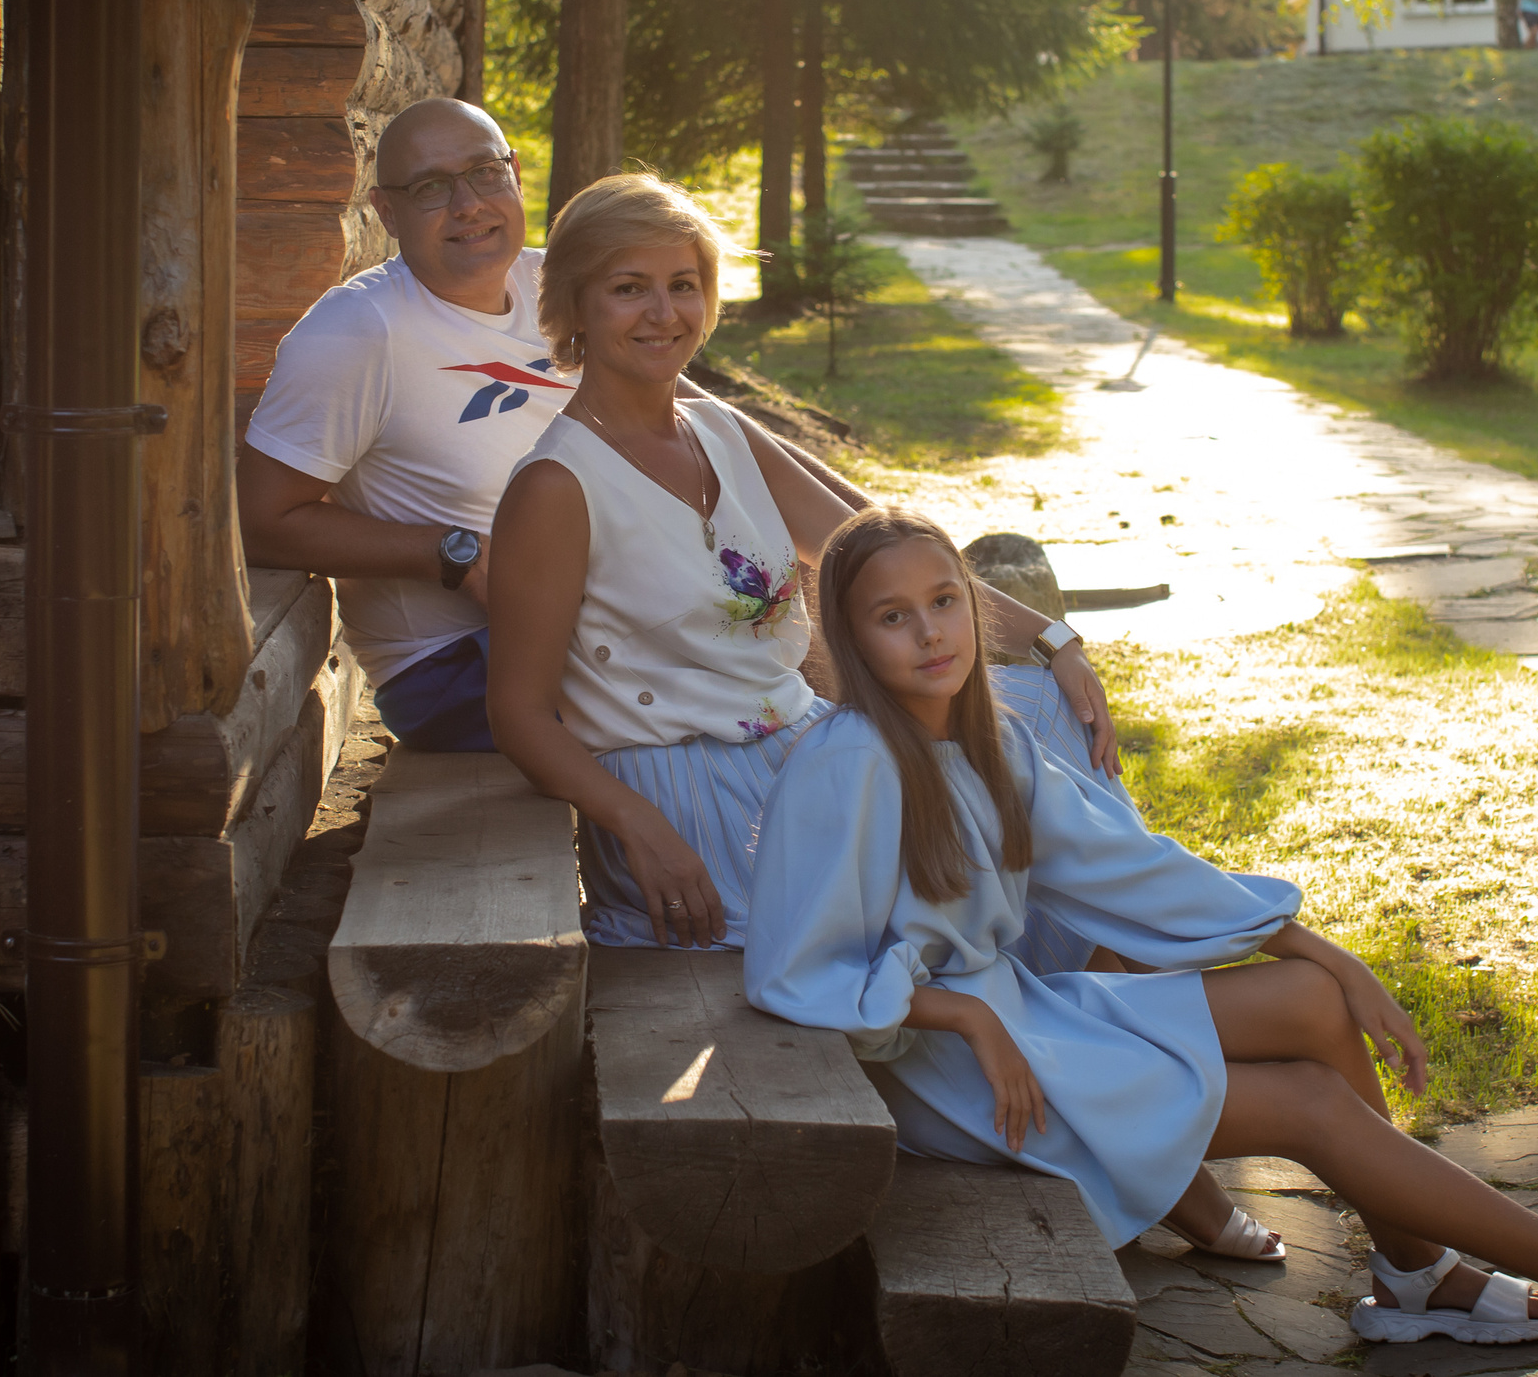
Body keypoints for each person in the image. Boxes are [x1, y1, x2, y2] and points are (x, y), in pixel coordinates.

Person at [744, 507, 1538, 1361]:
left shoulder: (988, 744)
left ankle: (1415, 1273)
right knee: (1306, 1102)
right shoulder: (847, 768)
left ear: (974, 612)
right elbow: (793, 971)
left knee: (1310, 1002)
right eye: (892, 618)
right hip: (952, 1074)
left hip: (1020, 1022)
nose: (930, 635)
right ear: (851, 637)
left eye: (942, 603)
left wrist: (1316, 947)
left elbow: (1133, 871)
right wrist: (957, 1012)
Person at [484, 171, 1280, 1262]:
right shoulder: (554, 488)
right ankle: (1145, 1150)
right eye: (628, 289)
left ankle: (1123, 1090)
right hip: (692, 803)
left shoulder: (723, 430)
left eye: (684, 283)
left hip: (806, 760)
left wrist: (1052, 640)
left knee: (1030, 717)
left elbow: (883, 547)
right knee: (956, 887)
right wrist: (639, 827)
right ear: (570, 307)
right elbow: (520, 714)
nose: (663, 312)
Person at [236, 98, 866, 751]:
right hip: (462, 659)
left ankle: (916, 729)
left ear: (514, 174)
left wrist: (876, 526)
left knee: (814, 583)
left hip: (622, 598)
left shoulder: (549, 280)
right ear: (385, 211)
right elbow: (261, 521)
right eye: (431, 187)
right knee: (782, 638)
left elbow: (704, 424)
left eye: (485, 173)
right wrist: (452, 553)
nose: (468, 203)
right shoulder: (358, 332)